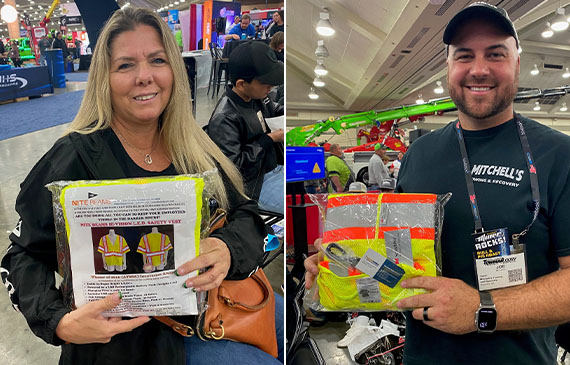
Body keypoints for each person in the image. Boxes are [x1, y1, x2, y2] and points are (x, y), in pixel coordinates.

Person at [0, 8, 283, 365]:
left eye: (156, 60)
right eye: (125, 65)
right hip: (120, 346)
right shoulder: (73, 158)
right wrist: (58, 321)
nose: (144, 77)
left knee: (284, 327)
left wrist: (226, 248)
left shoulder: (193, 146)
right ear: (104, 78)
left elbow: (245, 213)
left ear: (173, 71)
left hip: (208, 315)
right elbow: (21, 255)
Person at [306, 3, 570, 364]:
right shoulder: (419, 153)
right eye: (464, 56)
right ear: (448, 67)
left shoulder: (559, 155)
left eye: (495, 54)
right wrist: (344, 265)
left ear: (516, 64)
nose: (479, 69)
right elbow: (395, 262)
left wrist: (482, 308)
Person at [205, 41, 284, 214]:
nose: (271, 87)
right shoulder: (224, 118)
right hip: (255, 185)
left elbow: (273, 108)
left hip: (274, 169)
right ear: (241, 84)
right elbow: (235, 171)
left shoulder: (257, 96)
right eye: (266, 83)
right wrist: (269, 139)